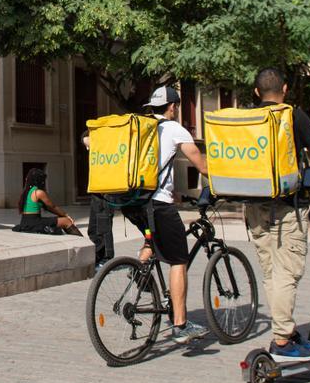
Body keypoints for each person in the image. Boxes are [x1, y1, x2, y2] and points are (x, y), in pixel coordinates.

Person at [246, 68, 310, 362]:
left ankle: (282, 329)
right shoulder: (292, 115)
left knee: (272, 273)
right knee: (287, 273)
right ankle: (283, 341)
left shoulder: (248, 118)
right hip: (287, 208)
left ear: (256, 92)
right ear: (285, 88)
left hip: (253, 206)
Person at [121, 86, 209, 345]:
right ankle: (181, 325)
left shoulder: (141, 127)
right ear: (173, 106)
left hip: (133, 203)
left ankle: (140, 270)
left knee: (153, 239)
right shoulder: (174, 129)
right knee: (178, 260)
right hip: (158, 204)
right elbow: (201, 164)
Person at [13, 167, 81, 236]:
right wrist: (66, 215)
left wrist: (61, 215)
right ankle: (80, 239)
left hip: (25, 222)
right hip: (34, 222)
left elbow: (49, 208)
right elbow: (53, 207)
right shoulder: (38, 192)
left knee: (62, 220)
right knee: (67, 221)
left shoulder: (27, 191)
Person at [82, 131, 115, 268]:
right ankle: (97, 255)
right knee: (93, 226)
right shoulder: (93, 141)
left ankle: (106, 258)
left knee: (104, 224)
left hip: (108, 189)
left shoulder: (111, 145)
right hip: (96, 188)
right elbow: (86, 140)